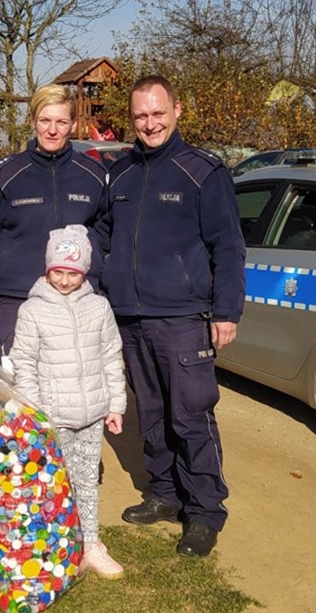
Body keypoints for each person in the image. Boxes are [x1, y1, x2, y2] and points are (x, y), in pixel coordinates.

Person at [98, 75, 246, 558]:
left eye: (158, 113)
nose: (150, 123)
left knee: (191, 415)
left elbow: (228, 246)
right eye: (141, 115)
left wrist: (226, 311)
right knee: (153, 414)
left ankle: (204, 511)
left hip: (183, 317)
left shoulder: (202, 171)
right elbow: (103, 236)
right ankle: (163, 493)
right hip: (131, 317)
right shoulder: (119, 174)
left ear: (177, 110)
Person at [11, 225, 127, 579]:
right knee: (54, 482)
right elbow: (24, 363)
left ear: (84, 272)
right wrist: (36, 411)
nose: (64, 280)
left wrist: (116, 405)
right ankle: (60, 544)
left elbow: (111, 357)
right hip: (53, 417)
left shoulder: (99, 307)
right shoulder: (32, 311)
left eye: (72, 273)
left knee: (87, 479)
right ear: (47, 270)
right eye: (57, 272)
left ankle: (90, 542)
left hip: (92, 413)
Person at [0, 83, 109, 367]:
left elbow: (105, 231)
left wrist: (93, 270)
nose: (53, 130)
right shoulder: (6, 175)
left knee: (73, 389)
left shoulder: (94, 175)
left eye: (62, 121)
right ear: (33, 121)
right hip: (19, 298)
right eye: (45, 120)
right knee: (13, 395)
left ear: (73, 124)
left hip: (78, 300)